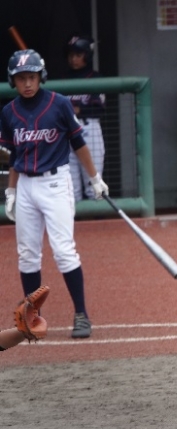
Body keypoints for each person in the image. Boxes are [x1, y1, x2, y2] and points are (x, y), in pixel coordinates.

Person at [1, 49, 108, 339]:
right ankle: (32, 317)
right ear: (13, 80)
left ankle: (81, 314)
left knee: (63, 251)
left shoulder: (59, 103)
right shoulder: (8, 112)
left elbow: (79, 143)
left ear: (41, 77)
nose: (27, 83)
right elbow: (13, 155)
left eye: (32, 77)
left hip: (56, 183)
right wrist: (11, 190)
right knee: (27, 255)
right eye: (21, 78)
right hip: (25, 185)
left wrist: (94, 178)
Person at [63, 34, 107, 202]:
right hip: (67, 133)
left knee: (93, 185)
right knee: (70, 189)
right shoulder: (64, 79)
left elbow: (99, 109)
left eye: (78, 54)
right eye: (71, 55)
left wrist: (78, 109)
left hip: (89, 129)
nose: (74, 59)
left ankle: (96, 219)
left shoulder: (95, 78)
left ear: (87, 56)